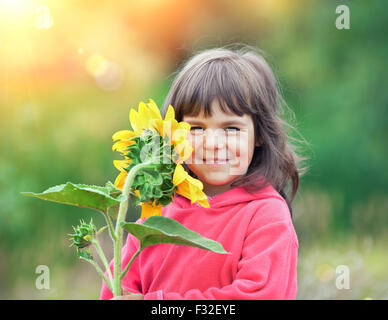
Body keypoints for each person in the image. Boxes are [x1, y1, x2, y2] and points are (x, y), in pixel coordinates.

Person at [100, 46, 307, 300]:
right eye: (196, 128)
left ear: (260, 135)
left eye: (231, 129)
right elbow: (118, 289)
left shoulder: (265, 215)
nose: (212, 143)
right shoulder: (157, 210)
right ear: (173, 132)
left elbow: (258, 296)